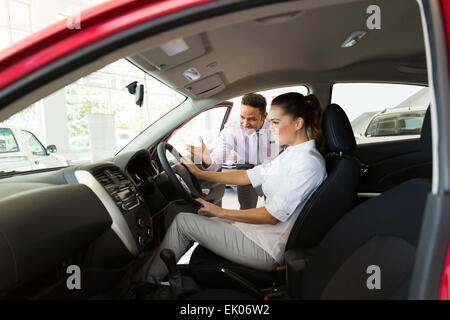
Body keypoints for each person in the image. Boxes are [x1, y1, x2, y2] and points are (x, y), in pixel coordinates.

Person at [141, 92, 327, 284]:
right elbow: (246, 175)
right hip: (261, 233)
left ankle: (144, 284)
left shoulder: (307, 163)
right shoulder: (292, 154)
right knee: (195, 218)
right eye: (270, 122)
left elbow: (271, 216)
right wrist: (201, 173)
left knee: (183, 223)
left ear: (298, 123)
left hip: (268, 246)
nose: (270, 129)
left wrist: (221, 212)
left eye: (276, 123)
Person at [186, 93, 280, 209]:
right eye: (242, 117)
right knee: (246, 208)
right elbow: (217, 162)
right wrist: (207, 160)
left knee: (275, 207)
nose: (245, 124)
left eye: (251, 119)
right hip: (247, 165)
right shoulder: (231, 130)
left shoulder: (276, 126)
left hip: (274, 166)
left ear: (264, 116)